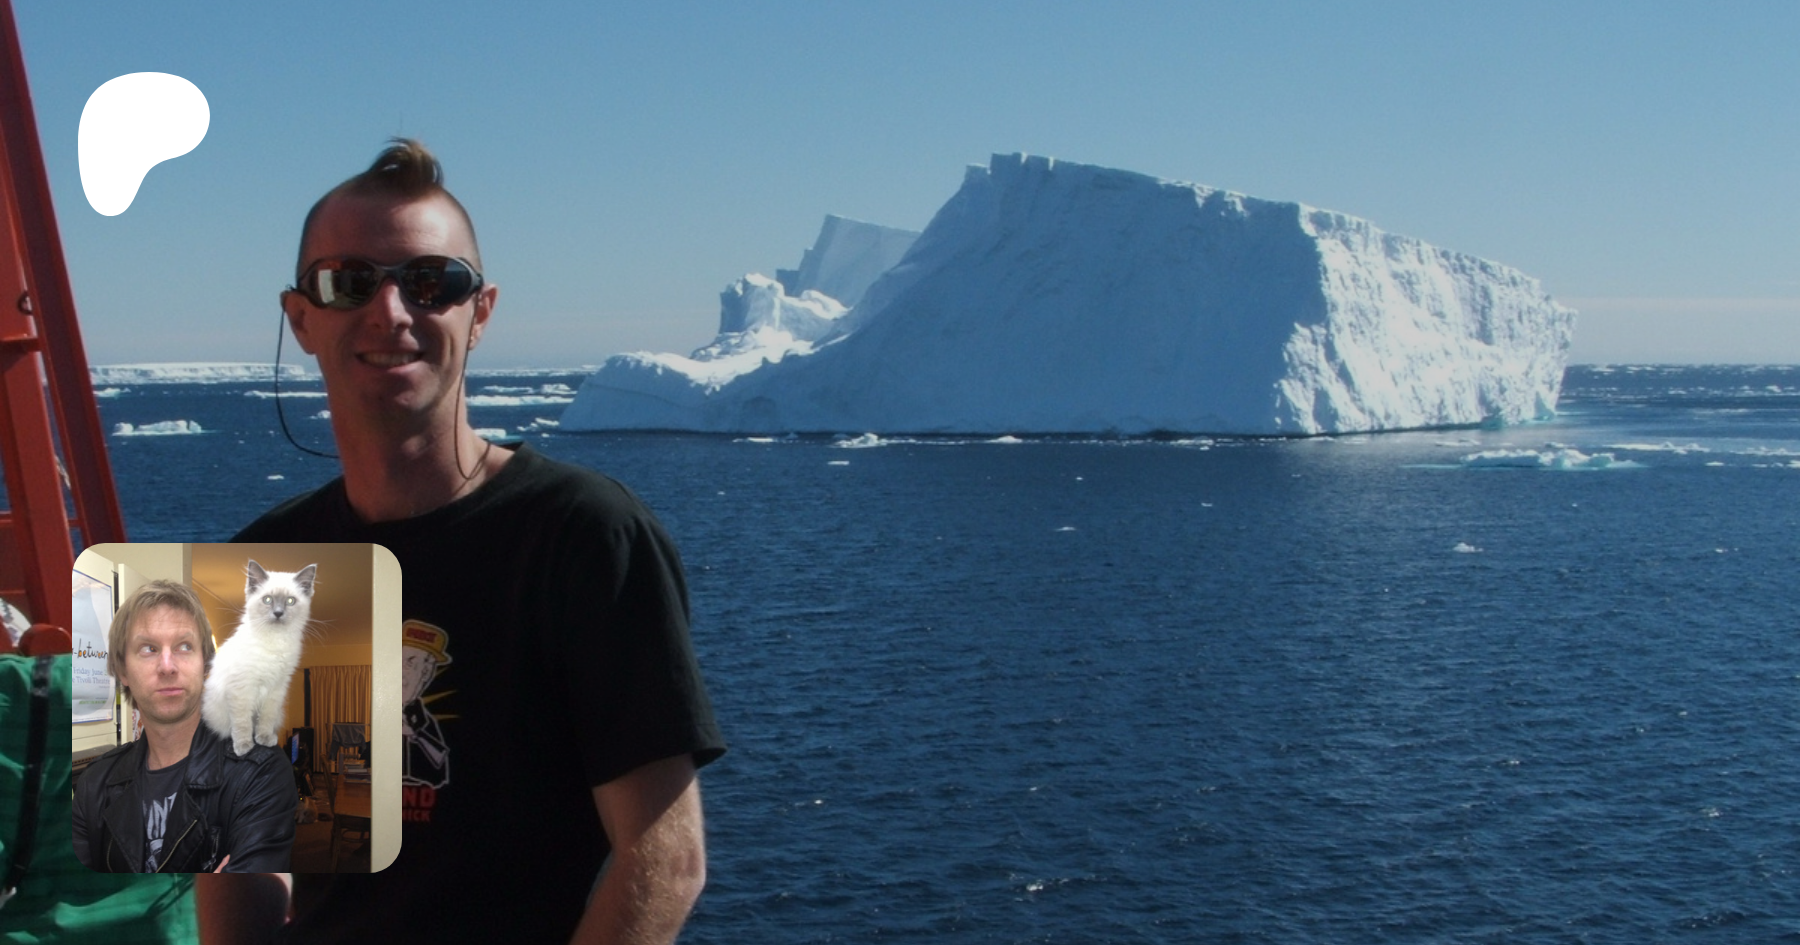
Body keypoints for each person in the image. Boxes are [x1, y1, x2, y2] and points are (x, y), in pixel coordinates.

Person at [231, 139, 726, 943]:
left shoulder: (581, 535)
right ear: (302, 318)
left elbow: (665, 859)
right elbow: (246, 849)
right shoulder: (276, 559)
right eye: (348, 280)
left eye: (431, 282)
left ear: (480, 312)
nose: (391, 312)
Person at [70, 580, 296, 873]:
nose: (167, 666)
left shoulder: (260, 770)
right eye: (148, 648)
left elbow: (245, 898)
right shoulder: (94, 784)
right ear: (123, 670)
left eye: (184, 647)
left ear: (205, 665)